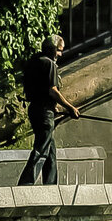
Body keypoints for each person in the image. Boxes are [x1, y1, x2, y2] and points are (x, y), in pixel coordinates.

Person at [17, 35, 80, 186]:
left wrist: (53, 106)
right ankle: (25, 184)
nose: (60, 54)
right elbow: (52, 91)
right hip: (44, 113)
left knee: (51, 152)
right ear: (52, 49)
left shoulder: (34, 62)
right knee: (41, 150)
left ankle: (51, 186)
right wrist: (70, 108)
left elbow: (39, 89)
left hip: (36, 110)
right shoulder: (50, 64)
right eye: (59, 50)